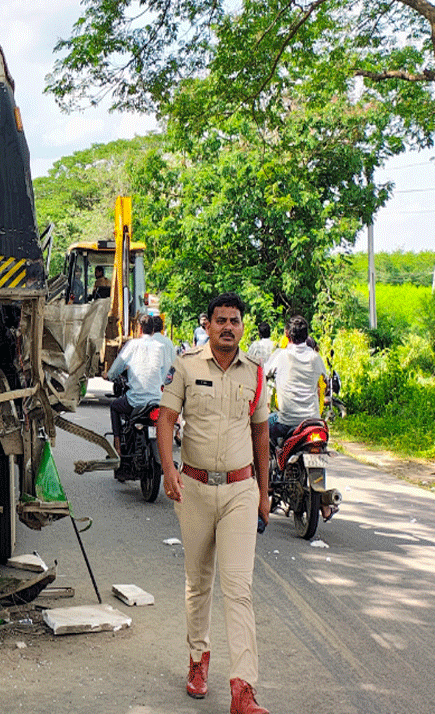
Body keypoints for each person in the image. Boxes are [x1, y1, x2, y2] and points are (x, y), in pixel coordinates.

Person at [157, 293, 270, 714]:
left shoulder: (256, 375)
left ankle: (243, 689)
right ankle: (198, 660)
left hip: (241, 490)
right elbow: (166, 419)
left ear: (242, 326)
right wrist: (169, 469)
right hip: (195, 489)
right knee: (198, 582)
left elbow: (261, 434)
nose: (227, 327)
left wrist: (264, 491)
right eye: (220, 320)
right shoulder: (186, 366)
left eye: (234, 321)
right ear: (208, 325)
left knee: (238, 589)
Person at [264, 315, 333, 520]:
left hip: (286, 420)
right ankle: (324, 504)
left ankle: (266, 486)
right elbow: (326, 380)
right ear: (307, 335)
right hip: (313, 421)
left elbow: (264, 374)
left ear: (287, 335)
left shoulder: (280, 355)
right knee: (320, 452)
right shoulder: (315, 357)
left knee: (261, 431)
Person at [105, 314, 170, 481]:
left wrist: (109, 375)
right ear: (154, 330)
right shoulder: (161, 347)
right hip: (157, 400)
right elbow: (165, 373)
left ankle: (117, 445)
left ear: (139, 329)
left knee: (114, 407)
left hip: (135, 400)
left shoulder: (132, 345)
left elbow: (116, 368)